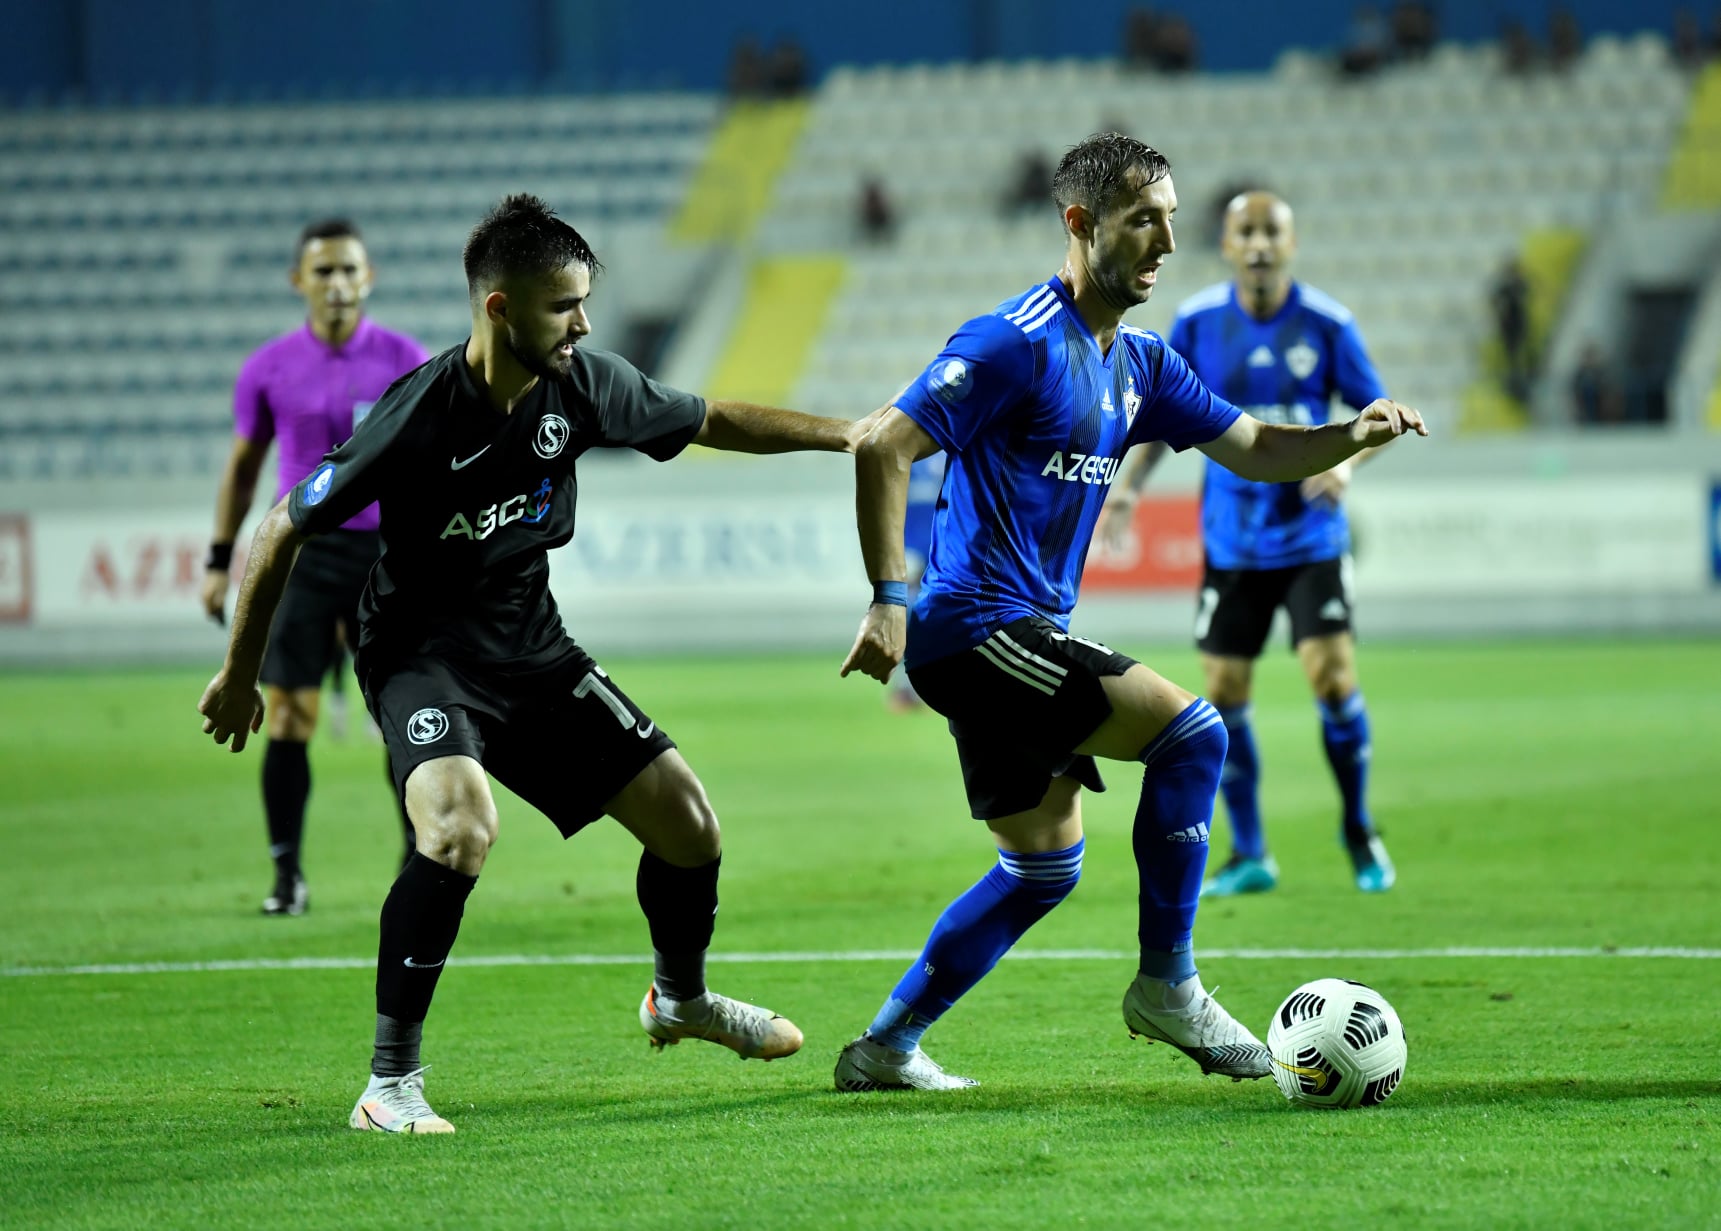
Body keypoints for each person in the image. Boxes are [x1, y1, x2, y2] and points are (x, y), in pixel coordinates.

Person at [199, 194, 866, 1133]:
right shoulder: (417, 413)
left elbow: (711, 417)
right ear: (499, 307)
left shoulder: (583, 385)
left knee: (690, 827)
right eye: (564, 306)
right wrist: (239, 675)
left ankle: (680, 1000)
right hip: (421, 656)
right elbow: (282, 525)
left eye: (585, 302)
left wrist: (845, 433)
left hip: (534, 650)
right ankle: (389, 1084)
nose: (583, 323)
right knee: (459, 830)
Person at [836, 134, 1426, 1091]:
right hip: (974, 626)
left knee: (1041, 866)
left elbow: (1257, 448)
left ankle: (884, 1047)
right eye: (1142, 219)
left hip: (1016, 631)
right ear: (1080, 222)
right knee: (1193, 734)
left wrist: (1347, 435)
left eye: (1170, 220)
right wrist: (886, 599)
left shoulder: (1142, 363)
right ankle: (1168, 987)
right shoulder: (1011, 341)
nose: (1165, 242)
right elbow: (881, 446)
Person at [1099, 191, 1399, 900]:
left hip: (1310, 539)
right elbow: (1163, 414)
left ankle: (1358, 828)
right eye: (1246, 232)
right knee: (1226, 692)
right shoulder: (1198, 322)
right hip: (1231, 543)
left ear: (1290, 243)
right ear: (1228, 245)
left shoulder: (1327, 324)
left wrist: (1344, 466)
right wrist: (1129, 487)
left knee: (1333, 679)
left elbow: (1377, 417)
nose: (1259, 243)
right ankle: (1251, 852)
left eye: (1272, 231)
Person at [202, 218, 429, 916]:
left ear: (369, 278)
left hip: (385, 555)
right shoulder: (268, 366)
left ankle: (416, 865)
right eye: (323, 270)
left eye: (349, 269)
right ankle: (287, 876)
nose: (337, 283)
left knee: (403, 715)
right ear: (298, 280)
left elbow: (431, 464)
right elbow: (244, 469)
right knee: (290, 714)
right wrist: (219, 559)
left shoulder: (405, 359)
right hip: (300, 554)